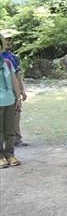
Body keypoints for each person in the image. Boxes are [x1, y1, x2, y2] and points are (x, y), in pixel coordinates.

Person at [0, 30, 27, 147]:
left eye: (9, 39)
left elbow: (17, 75)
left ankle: (16, 138)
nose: (8, 42)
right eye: (5, 39)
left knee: (16, 114)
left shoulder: (12, 57)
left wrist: (22, 90)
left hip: (11, 91)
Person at [1, 34, 22, 168]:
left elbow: (14, 81)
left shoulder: (7, 62)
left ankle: (9, 154)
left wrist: (18, 97)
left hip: (9, 100)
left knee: (10, 130)